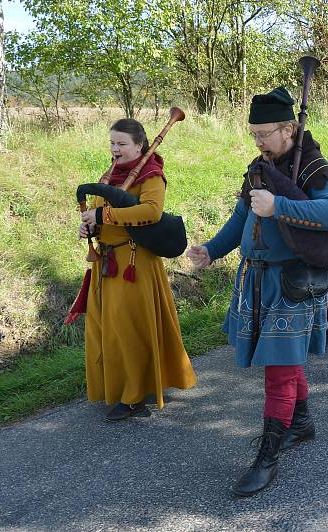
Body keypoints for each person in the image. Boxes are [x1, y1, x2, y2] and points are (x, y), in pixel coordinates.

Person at [186, 87, 328, 497]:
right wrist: (212, 249)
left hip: (290, 283)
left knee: (278, 369)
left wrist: (279, 206)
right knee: (286, 361)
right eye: (253, 134)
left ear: (288, 128)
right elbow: (242, 214)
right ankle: (303, 421)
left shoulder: (313, 167)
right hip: (255, 280)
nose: (257, 142)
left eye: (263, 134)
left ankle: (268, 456)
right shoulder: (260, 166)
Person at [77, 118, 197, 421]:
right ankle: (118, 386)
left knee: (129, 331)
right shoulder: (111, 175)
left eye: (122, 144)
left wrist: (103, 215)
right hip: (106, 263)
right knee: (108, 329)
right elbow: (101, 214)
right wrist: (90, 226)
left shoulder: (151, 175)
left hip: (133, 264)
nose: (115, 149)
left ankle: (134, 397)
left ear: (139, 146)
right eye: (112, 143)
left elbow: (151, 211)